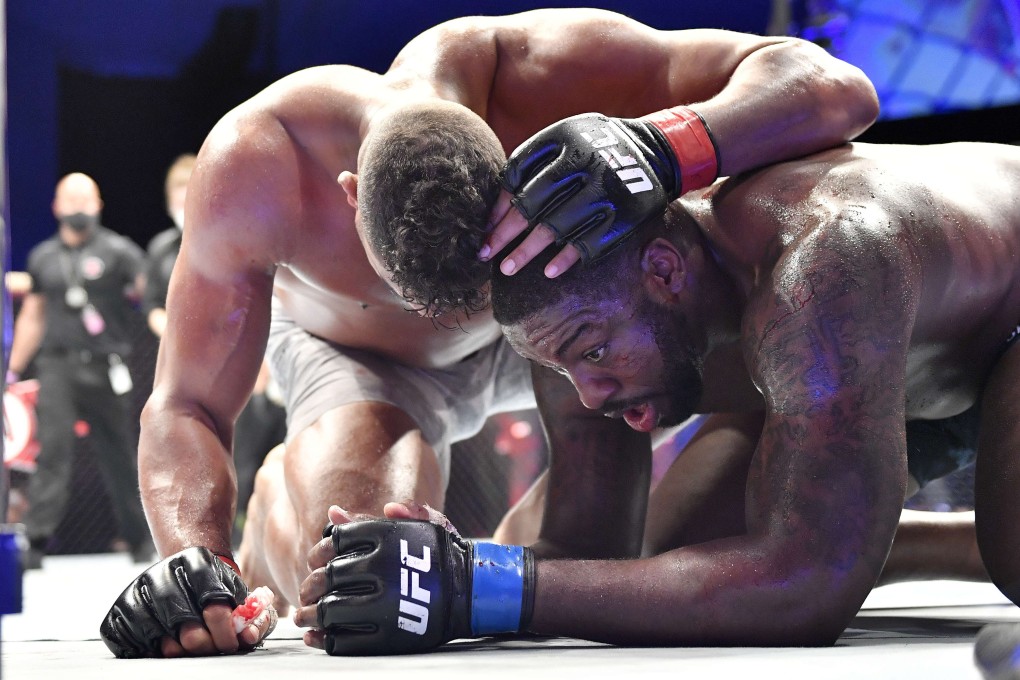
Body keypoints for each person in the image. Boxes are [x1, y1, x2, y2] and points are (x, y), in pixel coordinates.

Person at [99, 8, 879, 658]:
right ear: (348, 196)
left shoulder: (547, 72)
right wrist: (195, 556)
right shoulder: (262, 163)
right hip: (369, 365)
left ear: (509, 160)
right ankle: (289, 492)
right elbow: (186, 402)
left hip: (572, 323)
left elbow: (840, 89)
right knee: (365, 578)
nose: (461, 313)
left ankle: (903, 541)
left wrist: (666, 143)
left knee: (667, 538)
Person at [288, 139, 1020, 653]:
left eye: (595, 354)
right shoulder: (569, 315)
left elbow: (806, 590)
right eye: (564, 368)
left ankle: (954, 536)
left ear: (666, 271)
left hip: (1003, 326)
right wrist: (448, 560)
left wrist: (474, 590)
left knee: (978, 551)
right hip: (904, 369)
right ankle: (918, 536)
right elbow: (588, 550)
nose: (592, 393)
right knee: (695, 559)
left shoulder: (822, 268)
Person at [8, 172, 152, 569]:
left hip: (108, 368)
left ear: (98, 204)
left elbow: (151, 291)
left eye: (84, 198)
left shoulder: (120, 252)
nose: (77, 207)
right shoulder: (43, 257)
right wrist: (13, 370)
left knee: (121, 456)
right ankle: (35, 543)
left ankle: (141, 541)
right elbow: (33, 317)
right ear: (56, 206)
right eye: (69, 199)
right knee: (52, 451)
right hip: (57, 367)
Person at [142, 153, 285, 545]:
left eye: (188, 189)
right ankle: (196, 540)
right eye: (176, 192)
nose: (181, 199)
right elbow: (155, 306)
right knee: (178, 433)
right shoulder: (162, 249)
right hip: (187, 361)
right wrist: (176, 340)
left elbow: (262, 301)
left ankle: (248, 524)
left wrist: (261, 362)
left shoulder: (238, 238)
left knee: (251, 446)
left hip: (243, 353)